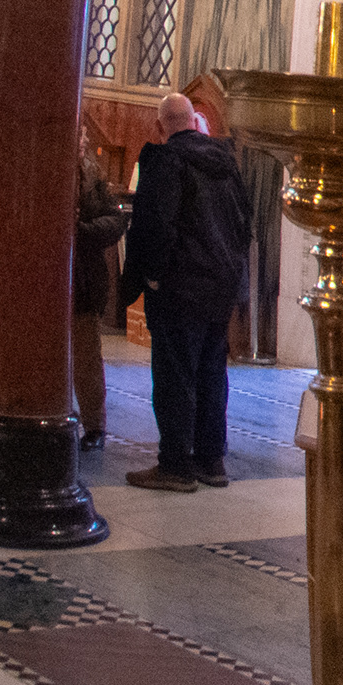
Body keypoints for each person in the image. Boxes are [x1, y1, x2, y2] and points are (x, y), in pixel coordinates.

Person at [119, 90, 246, 493]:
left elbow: (155, 226)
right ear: (194, 122)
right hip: (219, 288)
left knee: (175, 376)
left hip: (179, 288)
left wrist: (150, 277)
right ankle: (211, 460)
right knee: (212, 373)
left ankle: (175, 465)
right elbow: (243, 225)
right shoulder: (225, 163)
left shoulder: (166, 161)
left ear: (160, 126)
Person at [72, 155, 128, 451]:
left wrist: (81, 230)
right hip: (45, 281)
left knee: (86, 360)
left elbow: (115, 221)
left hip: (82, 283)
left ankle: (94, 426)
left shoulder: (93, 179)